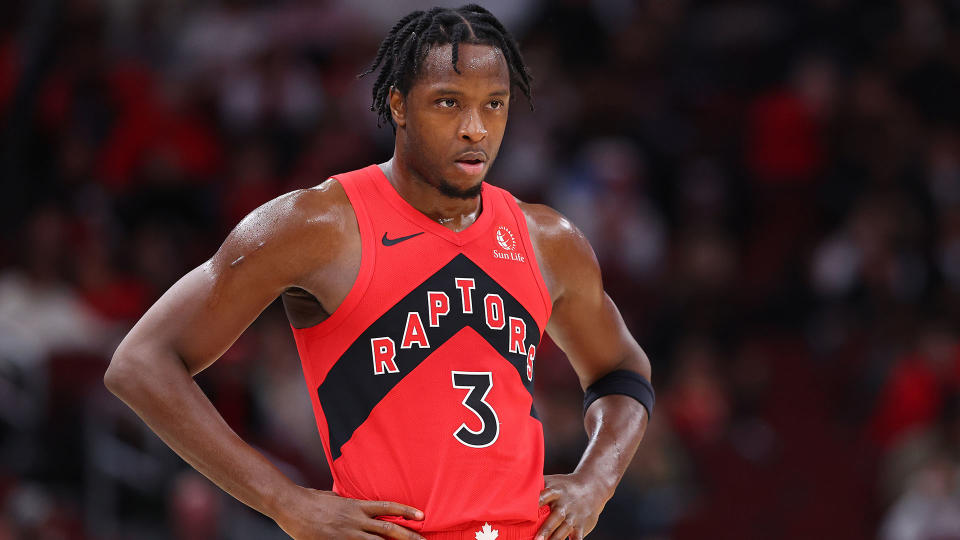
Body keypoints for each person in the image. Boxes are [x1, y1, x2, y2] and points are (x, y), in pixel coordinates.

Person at [104, 5, 653, 540]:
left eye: (494, 105)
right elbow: (140, 363)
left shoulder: (546, 239)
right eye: (448, 103)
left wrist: (594, 481)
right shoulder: (317, 224)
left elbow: (621, 370)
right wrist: (284, 501)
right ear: (398, 105)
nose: (473, 129)